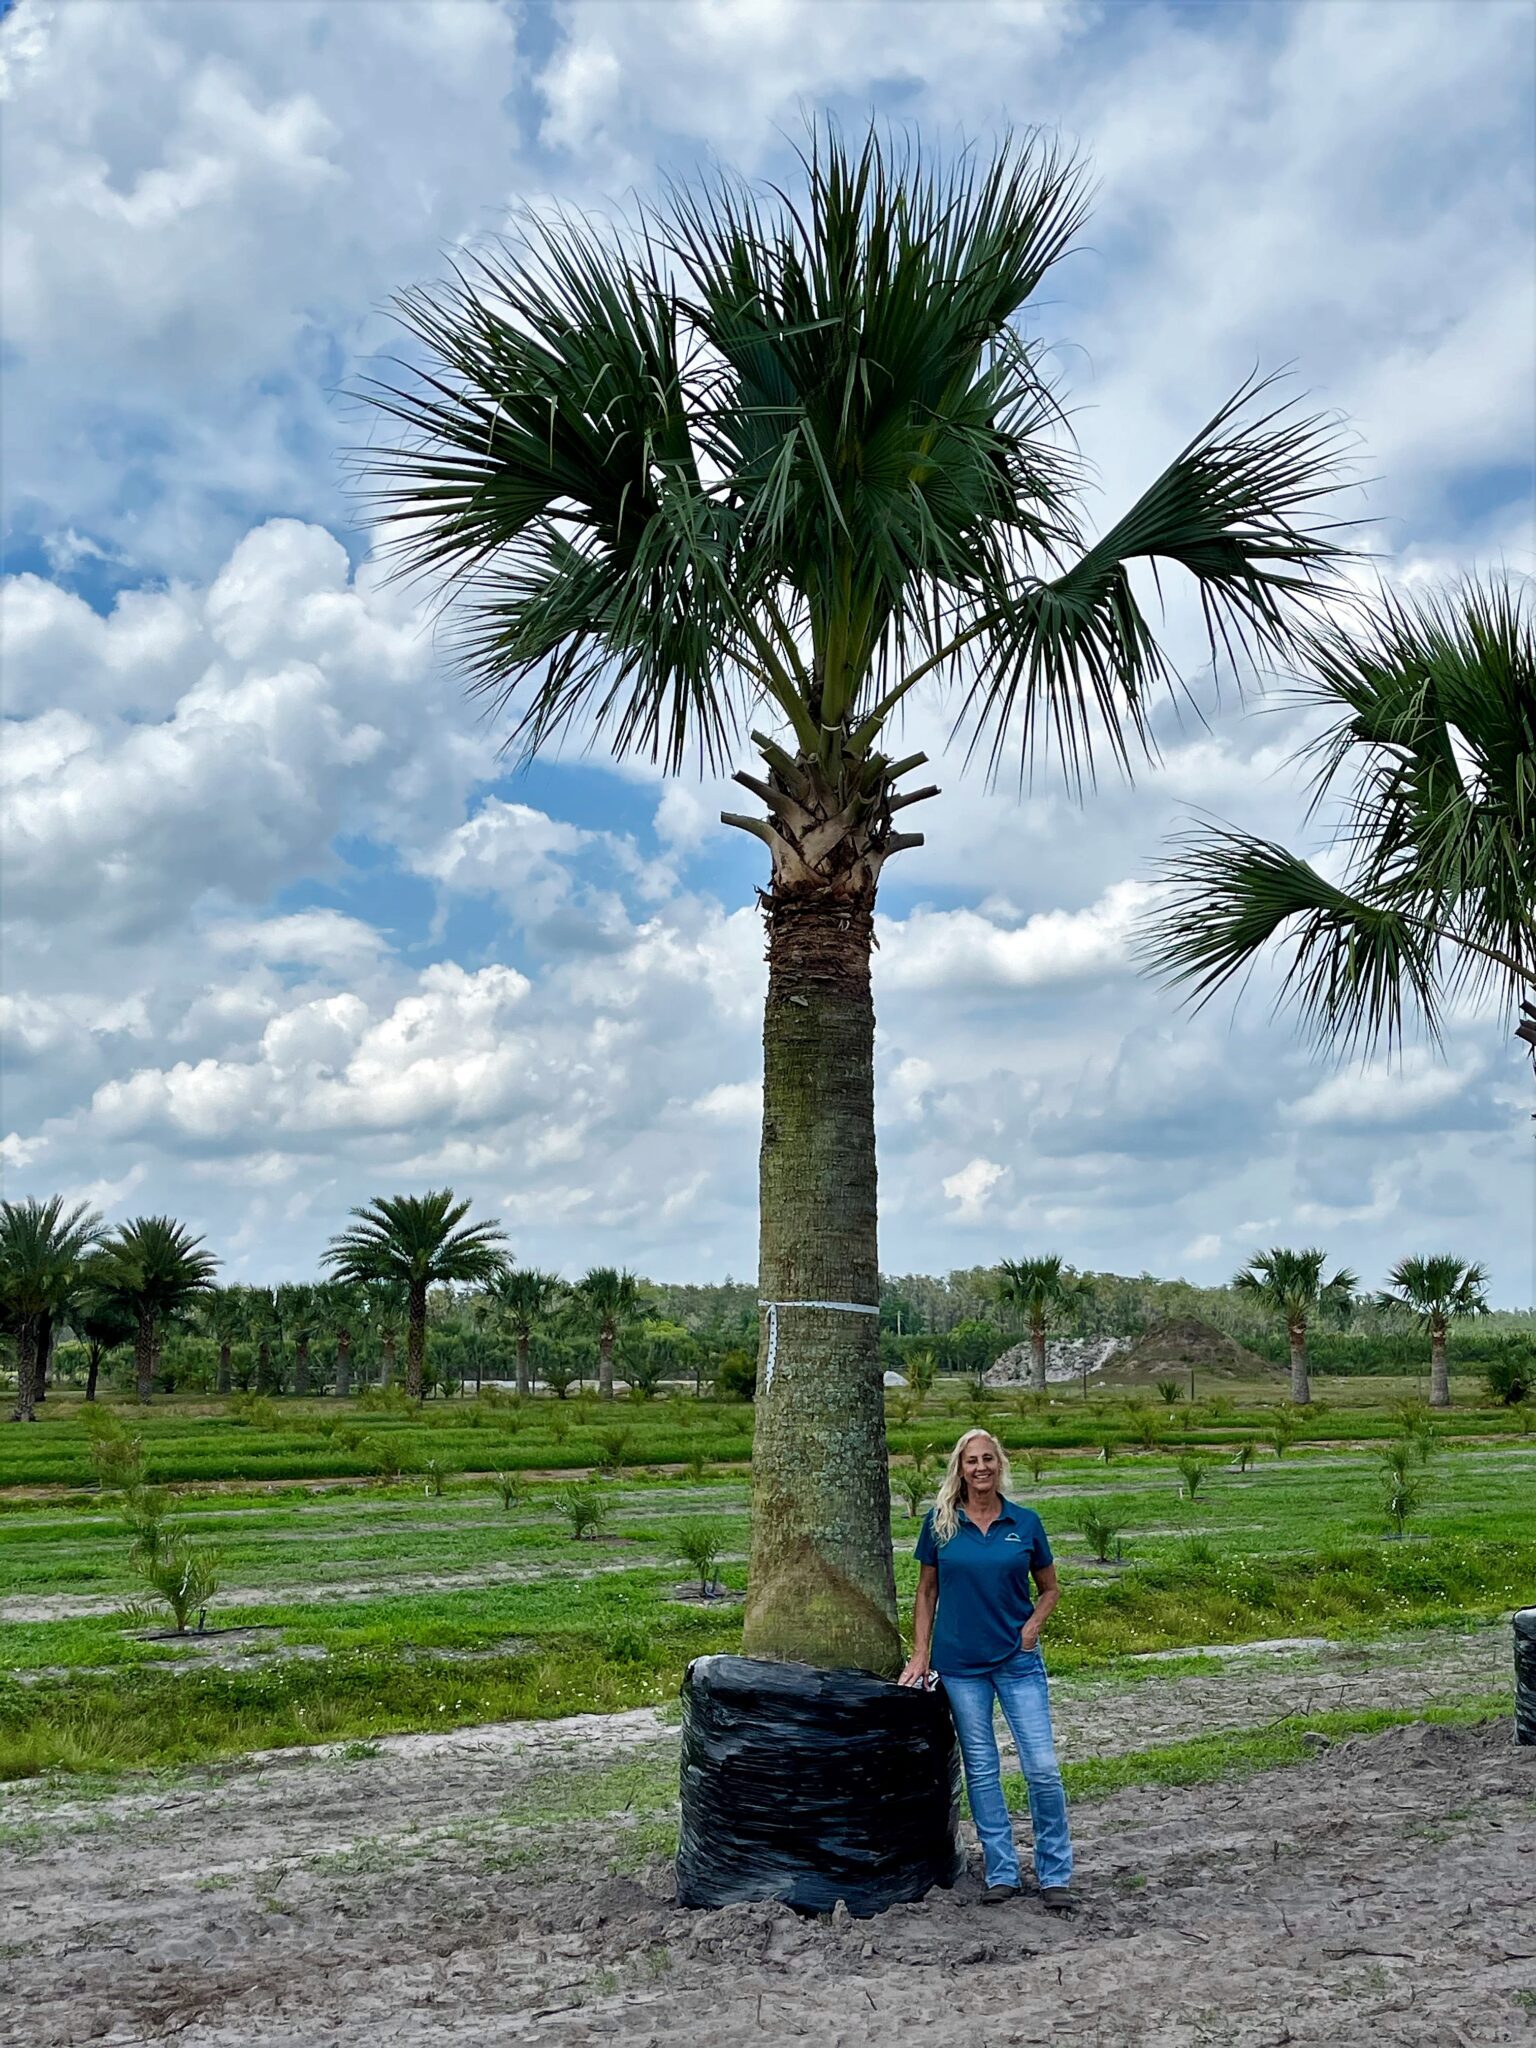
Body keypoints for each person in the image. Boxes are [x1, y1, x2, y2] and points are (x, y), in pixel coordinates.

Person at [899, 1426, 1074, 1908]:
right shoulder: (940, 1525)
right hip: (960, 1667)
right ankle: (1002, 1871)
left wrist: (1032, 1627)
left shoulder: (1025, 1522)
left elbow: (1051, 1588)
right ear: (960, 1468)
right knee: (982, 1769)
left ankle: (1055, 1872)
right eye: (971, 1460)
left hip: (1017, 1662)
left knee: (1041, 1768)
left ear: (1000, 1467)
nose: (980, 1468)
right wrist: (920, 1654)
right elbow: (926, 1592)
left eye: (988, 1460)